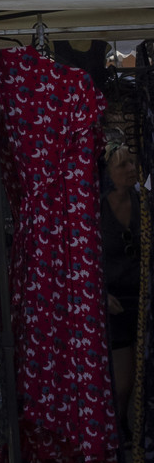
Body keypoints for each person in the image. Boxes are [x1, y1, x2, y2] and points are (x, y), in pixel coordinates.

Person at [103, 146, 141, 430]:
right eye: (122, 166)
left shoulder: (143, 204)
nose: (131, 169)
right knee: (123, 381)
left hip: (142, 296)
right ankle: (117, 427)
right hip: (114, 301)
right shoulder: (96, 211)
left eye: (132, 163)